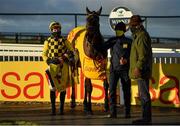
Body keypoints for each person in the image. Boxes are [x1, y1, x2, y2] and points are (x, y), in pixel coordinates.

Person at [42, 21, 75, 115]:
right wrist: (49, 61)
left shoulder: (64, 41)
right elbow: (44, 54)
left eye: (58, 29)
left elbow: (71, 51)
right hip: (52, 68)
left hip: (63, 67)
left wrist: (63, 57)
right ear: (51, 30)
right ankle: (53, 109)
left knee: (62, 88)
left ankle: (61, 109)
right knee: (52, 88)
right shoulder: (47, 41)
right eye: (55, 29)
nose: (57, 31)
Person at [104, 22, 132, 118]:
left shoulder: (129, 41)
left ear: (124, 30)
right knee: (111, 91)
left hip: (125, 70)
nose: (117, 31)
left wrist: (126, 59)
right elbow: (102, 47)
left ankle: (127, 113)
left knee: (127, 91)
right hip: (113, 70)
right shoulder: (112, 40)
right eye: (116, 30)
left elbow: (133, 54)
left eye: (119, 30)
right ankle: (113, 113)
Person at [128, 15, 153, 124]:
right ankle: (145, 118)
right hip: (141, 69)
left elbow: (143, 55)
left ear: (138, 25)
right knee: (143, 95)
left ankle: (146, 119)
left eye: (133, 25)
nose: (131, 27)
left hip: (142, 70)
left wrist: (138, 67)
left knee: (144, 95)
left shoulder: (141, 36)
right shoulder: (138, 36)